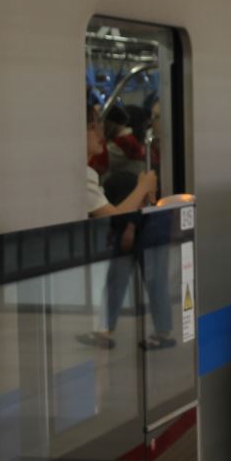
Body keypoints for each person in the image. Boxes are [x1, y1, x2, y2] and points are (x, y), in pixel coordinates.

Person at [81, 103, 158, 349]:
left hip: (127, 230)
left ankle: (106, 327)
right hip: (127, 229)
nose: (100, 134)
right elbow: (113, 215)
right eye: (93, 127)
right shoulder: (82, 176)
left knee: (120, 279)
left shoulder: (102, 163)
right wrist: (144, 187)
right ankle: (105, 327)